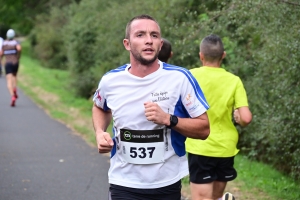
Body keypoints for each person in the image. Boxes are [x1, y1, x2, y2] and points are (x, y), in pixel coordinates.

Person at [92, 14, 210, 200]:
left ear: (160, 44)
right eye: (140, 35)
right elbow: (100, 107)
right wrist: (100, 132)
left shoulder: (180, 78)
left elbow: (204, 129)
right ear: (127, 44)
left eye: (154, 35)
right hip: (123, 182)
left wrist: (168, 119)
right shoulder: (110, 80)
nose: (148, 40)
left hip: (167, 183)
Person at [185, 34, 252, 200]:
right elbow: (246, 118)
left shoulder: (189, 76)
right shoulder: (234, 81)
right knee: (215, 196)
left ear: (201, 55)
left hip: (200, 145)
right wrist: (238, 117)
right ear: (223, 55)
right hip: (225, 147)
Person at [0, 29, 22, 107]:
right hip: (15, 62)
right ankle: (15, 89)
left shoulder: (4, 43)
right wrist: (18, 55)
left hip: (8, 63)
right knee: (14, 76)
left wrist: (1, 61)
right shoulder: (16, 42)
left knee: (9, 80)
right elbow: (19, 49)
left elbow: (1, 54)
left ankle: (12, 96)